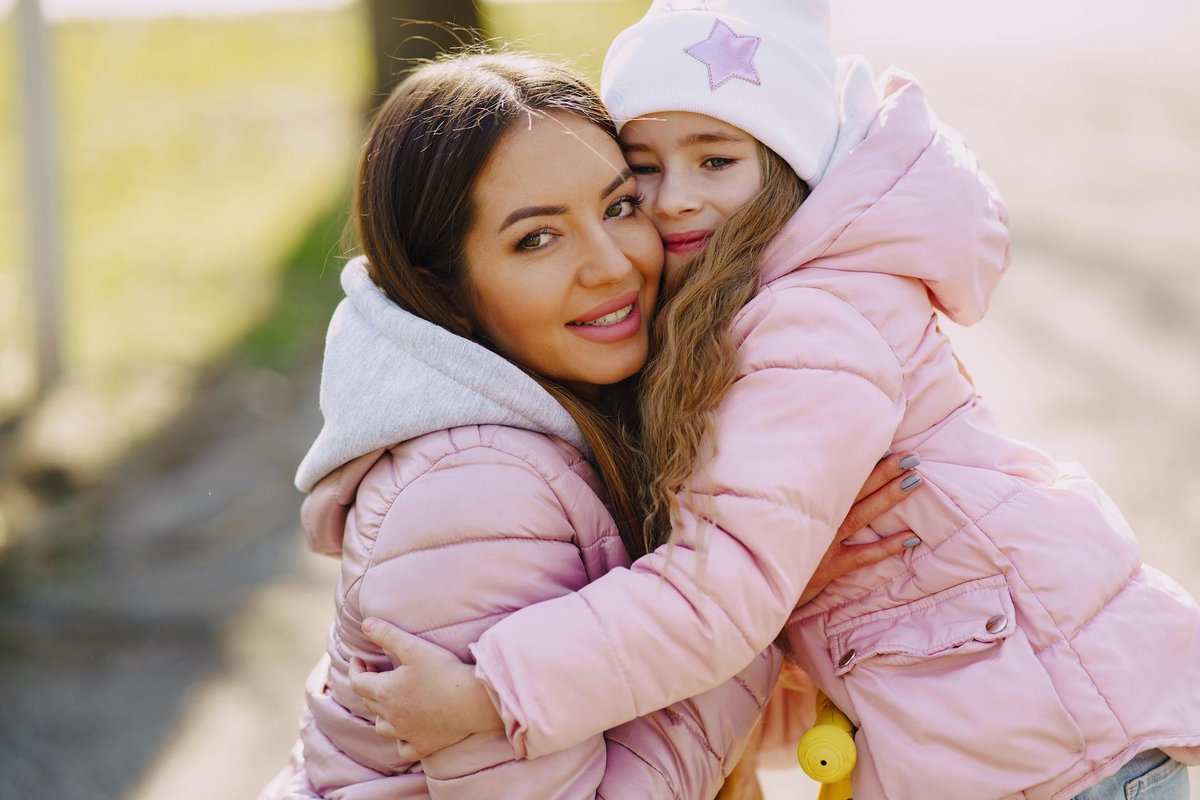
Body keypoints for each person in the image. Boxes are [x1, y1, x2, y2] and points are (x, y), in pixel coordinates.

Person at [347, 2, 1200, 799]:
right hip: (1003, 729)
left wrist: (498, 689)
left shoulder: (804, 328)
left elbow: (724, 590)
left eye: (715, 159)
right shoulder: (743, 313)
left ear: (789, 166)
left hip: (1052, 744)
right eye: (644, 170)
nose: (674, 196)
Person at [259, 50, 923, 800]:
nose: (611, 265)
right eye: (537, 239)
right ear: (443, 293)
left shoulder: (595, 410)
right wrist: (755, 599)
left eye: (619, 207)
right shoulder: (472, 496)